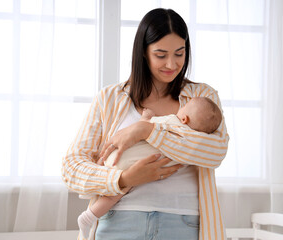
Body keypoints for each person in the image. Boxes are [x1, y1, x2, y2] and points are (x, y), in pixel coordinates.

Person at [62, 8, 229, 240]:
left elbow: (215, 152)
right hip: (119, 222)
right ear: (143, 52)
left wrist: (146, 129)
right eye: (161, 55)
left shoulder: (202, 97)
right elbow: (72, 167)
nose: (171, 63)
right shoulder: (110, 98)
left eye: (179, 53)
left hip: (183, 224)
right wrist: (123, 179)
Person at [77, 97, 223, 239]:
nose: (181, 107)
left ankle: (88, 216)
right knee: (114, 195)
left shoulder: (172, 121)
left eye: (184, 107)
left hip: (121, 161)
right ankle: (88, 217)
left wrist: (145, 119)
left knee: (116, 191)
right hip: (129, 174)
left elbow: (145, 127)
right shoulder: (193, 142)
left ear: (184, 119)